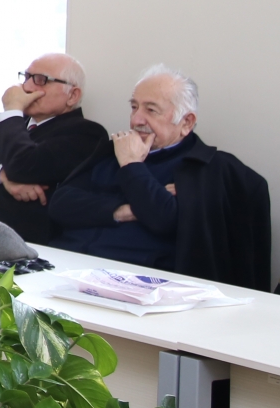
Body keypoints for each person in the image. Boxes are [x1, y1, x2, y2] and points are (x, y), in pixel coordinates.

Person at [49, 65, 271, 290]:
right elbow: (60, 205)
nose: (136, 119)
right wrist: (124, 210)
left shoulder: (207, 170)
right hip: (66, 267)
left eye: (151, 110)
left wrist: (132, 165)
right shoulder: (111, 151)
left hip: (139, 282)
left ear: (186, 122)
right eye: (134, 107)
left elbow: (163, 219)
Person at [0, 53, 107, 245]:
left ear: (72, 95)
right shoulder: (11, 123)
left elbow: (24, 167)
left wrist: (12, 111)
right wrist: (2, 175)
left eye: (41, 80)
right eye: (26, 77)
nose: (26, 87)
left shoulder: (86, 134)